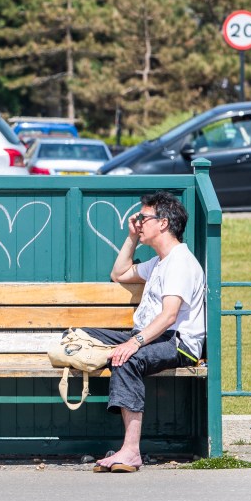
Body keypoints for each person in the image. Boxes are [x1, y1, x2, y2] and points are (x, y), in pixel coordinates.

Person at [85, 191, 205, 473]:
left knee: (127, 359)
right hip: (152, 335)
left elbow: (169, 315)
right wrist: (131, 237)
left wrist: (133, 343)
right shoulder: (159, 262)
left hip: (178, 342)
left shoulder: (180, 262)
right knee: (82, 336)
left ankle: (130, 451)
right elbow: (120, 274)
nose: (138, 221)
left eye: (143, 217)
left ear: (163, 223)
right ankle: (106, 353)